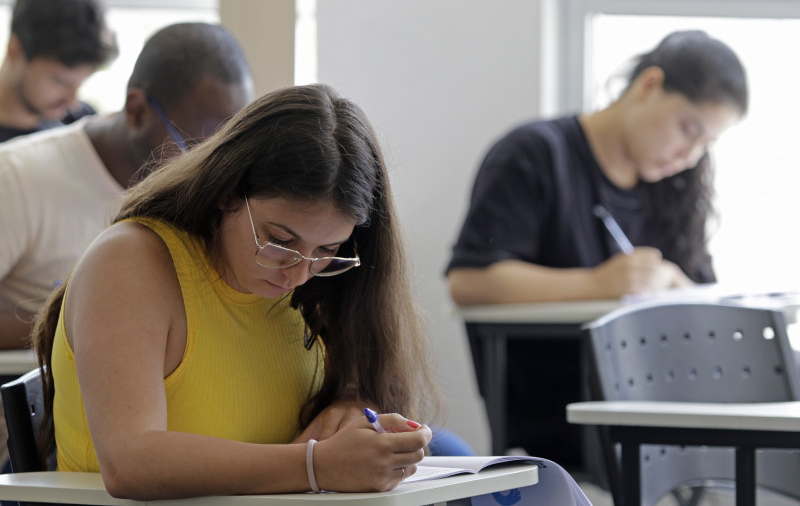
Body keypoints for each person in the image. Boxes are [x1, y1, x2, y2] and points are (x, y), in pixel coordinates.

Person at [31, 83, 438, 498]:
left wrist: (350, 409)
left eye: (327, 250)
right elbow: (129, 461)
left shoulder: (317, 289)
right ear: (227, 193)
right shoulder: (131, 262)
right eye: (279, 240)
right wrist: (317, 465)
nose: (298, 274)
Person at [446, 31, 748, 467]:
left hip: (663, 394)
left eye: (705, 144)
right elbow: (469, 281)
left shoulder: (677, 183)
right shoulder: (535, 155)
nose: (689, 154)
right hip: (565, 406)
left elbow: (699, 289)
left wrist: (672, 281)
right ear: (648, 86)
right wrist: (596, 284)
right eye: (688, 130)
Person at [0, 22, 255, 350]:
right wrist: (89, 317)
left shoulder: (213, 194)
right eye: (195, 147)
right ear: (136, 111)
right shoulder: (16, 179)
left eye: (226, 151)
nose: (211, 169)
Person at [0, 0, 118, 142]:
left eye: (80, 82)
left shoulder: (83, 125)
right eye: (61, 81)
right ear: (15, 50)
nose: (72, 103)